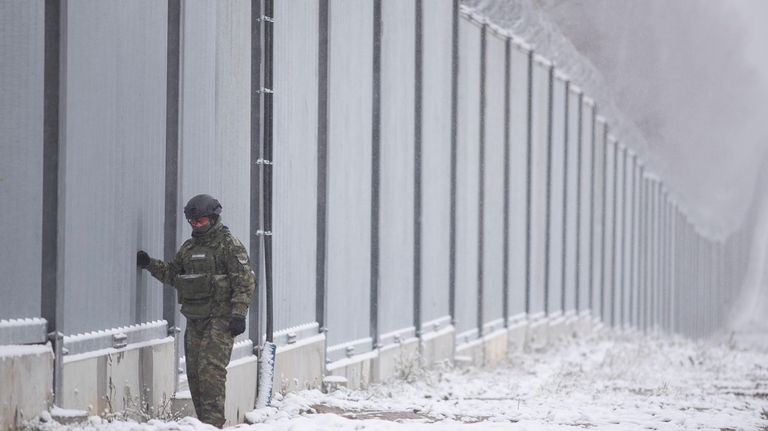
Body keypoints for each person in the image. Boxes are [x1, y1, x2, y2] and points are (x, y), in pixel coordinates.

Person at [137, 194, 256, 428]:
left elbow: (244, 281)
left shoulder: (228, 244)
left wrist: (239, 314)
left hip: (221, 320)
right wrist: (149, 263)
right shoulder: (190, 248)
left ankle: (213, 425)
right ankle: (203, 424)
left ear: (213, 218)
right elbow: (173, 273)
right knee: (194, 375)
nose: (196, 225)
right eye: (192, 222)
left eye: (200, 221)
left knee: (211, 373)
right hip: (195, 319)